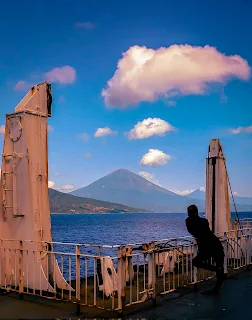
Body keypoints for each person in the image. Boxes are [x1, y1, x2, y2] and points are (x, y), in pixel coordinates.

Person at [185, 204, 225, 295]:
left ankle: (215, 270)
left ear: (189, 213)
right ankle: (216, 287)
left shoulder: (188, 222)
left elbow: (193, 232)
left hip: (206, 246)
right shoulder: (204, 221)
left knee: (196, 262)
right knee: (219, 264)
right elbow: (204, 231)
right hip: (215, 244)